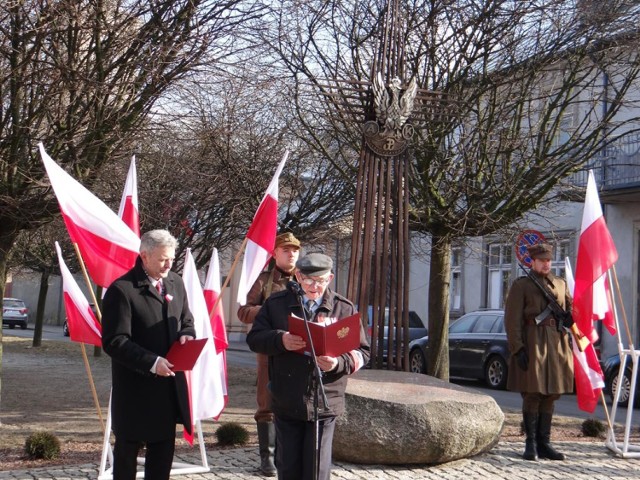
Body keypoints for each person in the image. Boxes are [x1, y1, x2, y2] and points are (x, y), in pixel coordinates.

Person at [246, 252, 370, 480]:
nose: (315, 287)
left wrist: (337, 363)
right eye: (310, 281)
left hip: (325, 401)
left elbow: (363, 352)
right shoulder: (276, 304)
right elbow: (254, 339)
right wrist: (280, 340)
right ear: (298, 276)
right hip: (287, 398)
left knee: (317, 470)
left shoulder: (344, 309)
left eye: (321, 281)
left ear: (330, 278)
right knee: (288, 468)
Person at [102, 229, 196, 480]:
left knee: (162, 455)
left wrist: (188, 333)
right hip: (136, 390)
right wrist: (152, 363)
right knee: (127, 458)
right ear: (144, 255)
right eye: (163, 259)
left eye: (172, 259)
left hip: (168, 389)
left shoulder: (175, 282)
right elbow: (114, 341)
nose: (169, 265)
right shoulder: (122, 290)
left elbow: (186, 319)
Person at [237, 232, 301, 476]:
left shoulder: (305, 279)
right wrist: (270, 310)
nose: (291, 253)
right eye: (286, 249)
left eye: (295, 249)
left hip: (300, 350)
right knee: (267, 403)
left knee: (296, 402)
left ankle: (291, 455)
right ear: (275, 253)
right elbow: (243, 312)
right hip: (269, 350)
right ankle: (268, 459)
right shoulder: (263, 280)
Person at [505, 242, 574, 462]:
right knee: (533, 392)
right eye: (541, 260)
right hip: (533, 341)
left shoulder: (561, 284)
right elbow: (512, 321)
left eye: (548, 260)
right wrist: (518, 348)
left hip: (557, 343)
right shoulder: (522, 285)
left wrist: (572, 317)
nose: (546, 264)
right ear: (532, 261)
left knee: (552, 392)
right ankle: (531, 443)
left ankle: (545, 443)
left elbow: (571, 309)